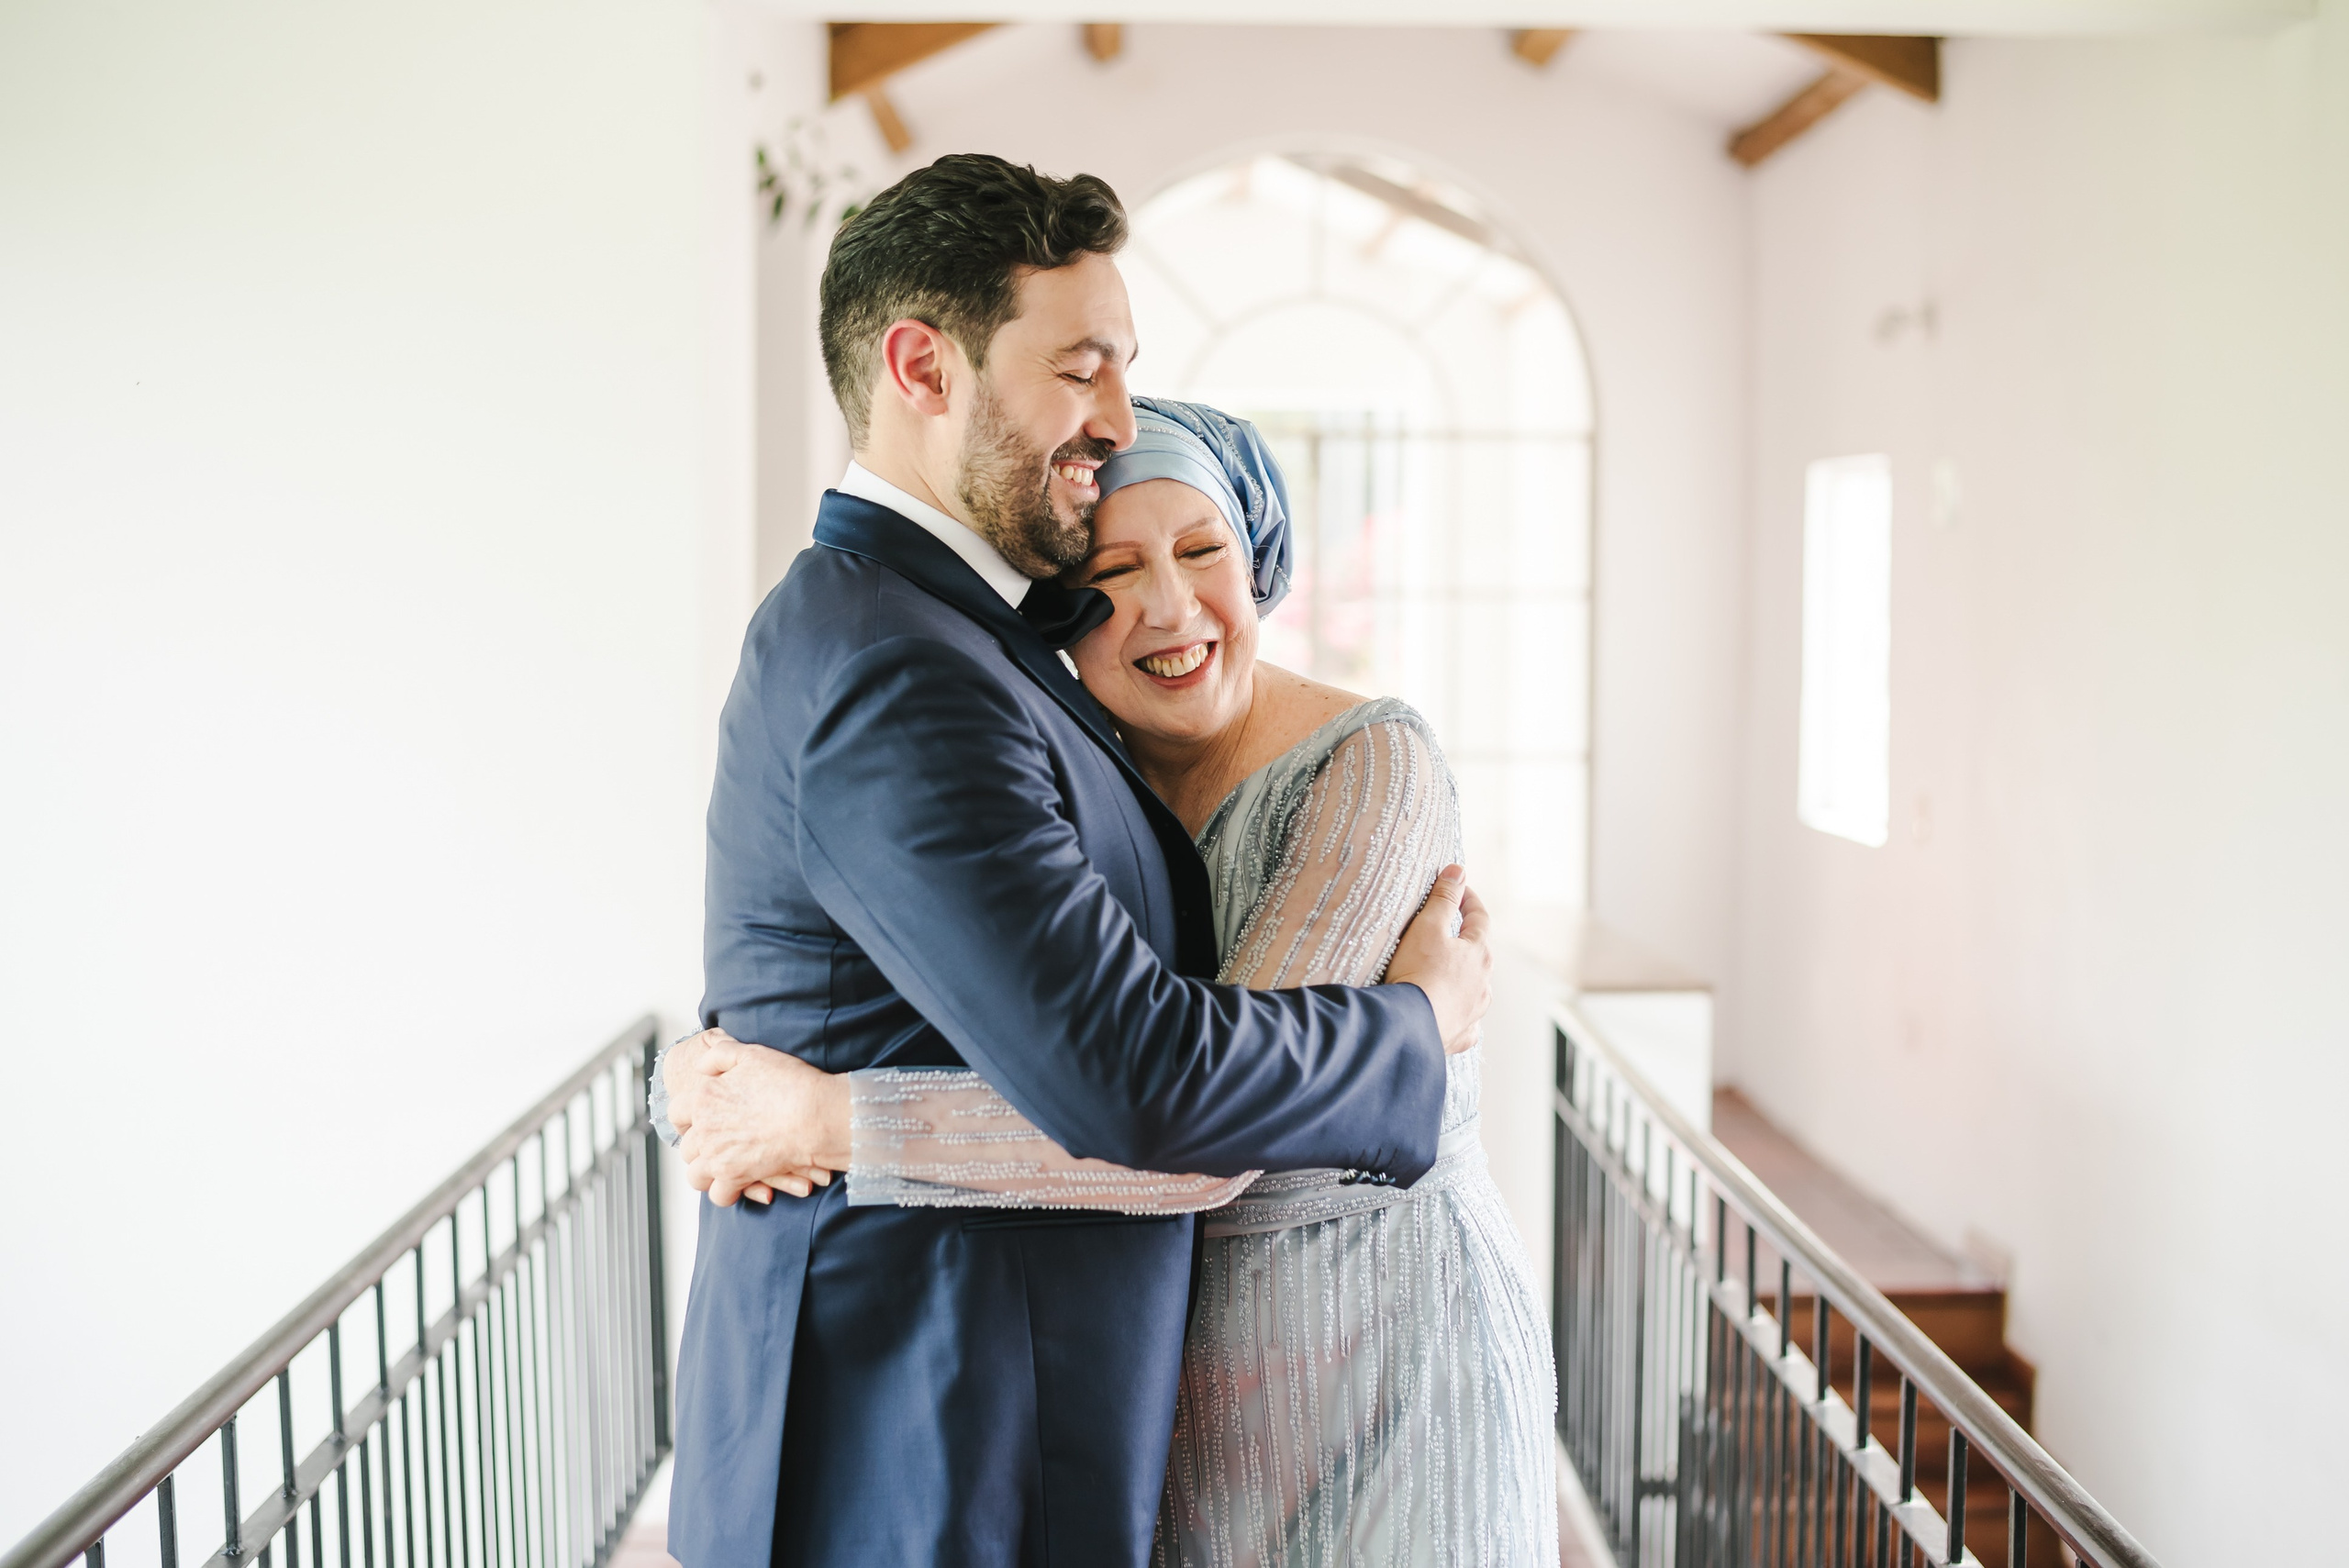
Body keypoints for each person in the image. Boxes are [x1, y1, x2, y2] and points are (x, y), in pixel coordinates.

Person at [659, 153, 1493, 1568]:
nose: (1115, 417)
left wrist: (810, 1101)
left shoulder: (958, 633)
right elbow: (1133, 1073)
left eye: (1126, 369)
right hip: (922, 1452)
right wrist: (1418, 1024)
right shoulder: (902, 669)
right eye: (1079, 368)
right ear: (922, 367)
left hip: (1018, 1424)